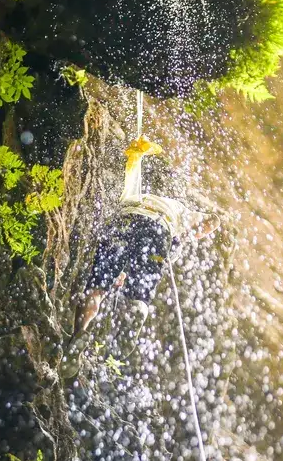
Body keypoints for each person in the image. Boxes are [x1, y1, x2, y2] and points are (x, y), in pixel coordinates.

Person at [69, 135, 219, 346]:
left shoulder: (135, 197)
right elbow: (213, 221)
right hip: (157, 228)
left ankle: (79, 333)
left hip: (124, 222)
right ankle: (138, 306)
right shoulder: (178, 210)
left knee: (97, 288)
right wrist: (187, 236)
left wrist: (119, 273)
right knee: (140, 288)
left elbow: (126, 250)